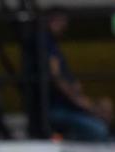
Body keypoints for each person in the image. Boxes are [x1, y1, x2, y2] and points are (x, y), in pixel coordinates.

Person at [41, 9, 109, 142]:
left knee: (103, 112)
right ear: (54, 21)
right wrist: (81, 102)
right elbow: (56, 77)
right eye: (63, 22)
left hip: (67, 105)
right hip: (58, 109)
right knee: (99, 130)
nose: (65, 27)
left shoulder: (50, 43)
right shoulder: (45, 42)